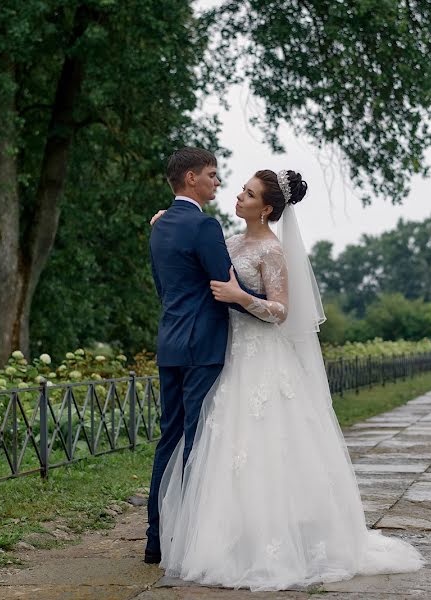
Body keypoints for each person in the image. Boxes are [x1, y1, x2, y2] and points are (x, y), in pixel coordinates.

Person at [151, 168, 423, 591]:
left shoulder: (272, 251)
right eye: (240, 189)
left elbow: (282, 311)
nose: (238, 197)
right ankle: (229, 535)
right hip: (229, 354)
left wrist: (243, 297)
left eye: (249, 193)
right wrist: (162, 223)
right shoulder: (228, 241)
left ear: (268, 208)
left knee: (266, 446)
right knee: (223, 446)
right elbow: (195, 262)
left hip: (262, 357)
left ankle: (278, 541)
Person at [145, 147, 267, 565]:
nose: (218, 182)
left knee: (170, 439)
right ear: (191, 178)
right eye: (212, 175)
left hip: (171, 344)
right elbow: (224, 288)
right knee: (198, 441)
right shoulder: (203, 226)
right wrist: (268, 308)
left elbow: (165, 290)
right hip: (203, 347)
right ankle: (192, 539)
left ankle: (155, 538)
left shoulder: (159, 225)